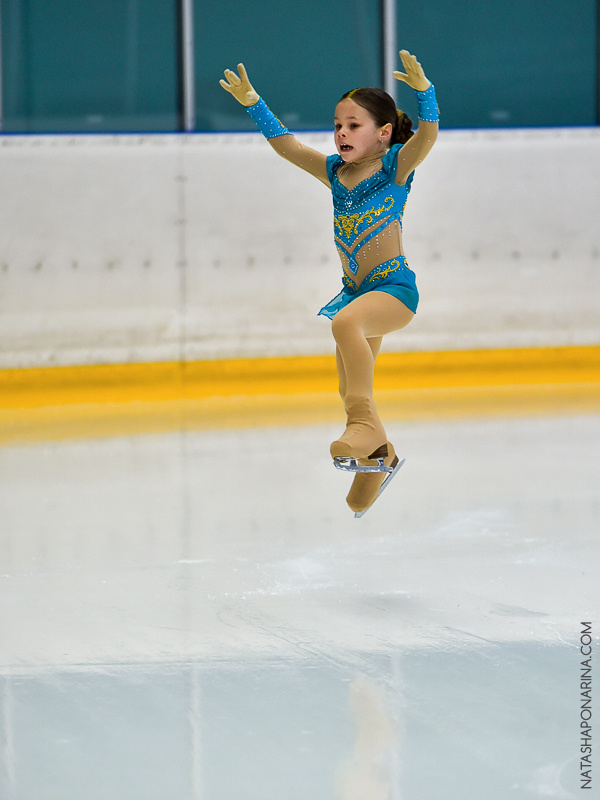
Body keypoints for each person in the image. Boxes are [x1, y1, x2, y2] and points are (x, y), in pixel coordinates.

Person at [220, 51, 439, 514]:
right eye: (338, 124)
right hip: (361, 293)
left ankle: (363, 424)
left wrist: (426, 95)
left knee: (344, 326)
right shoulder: (336, 174)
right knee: (347, 381)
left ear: (383, 134)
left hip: (394, 289)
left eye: (354, 124)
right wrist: (254, 103)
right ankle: (380, 459)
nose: (341, 132)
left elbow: (428, 137)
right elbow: (289, 148)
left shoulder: (394, 167)